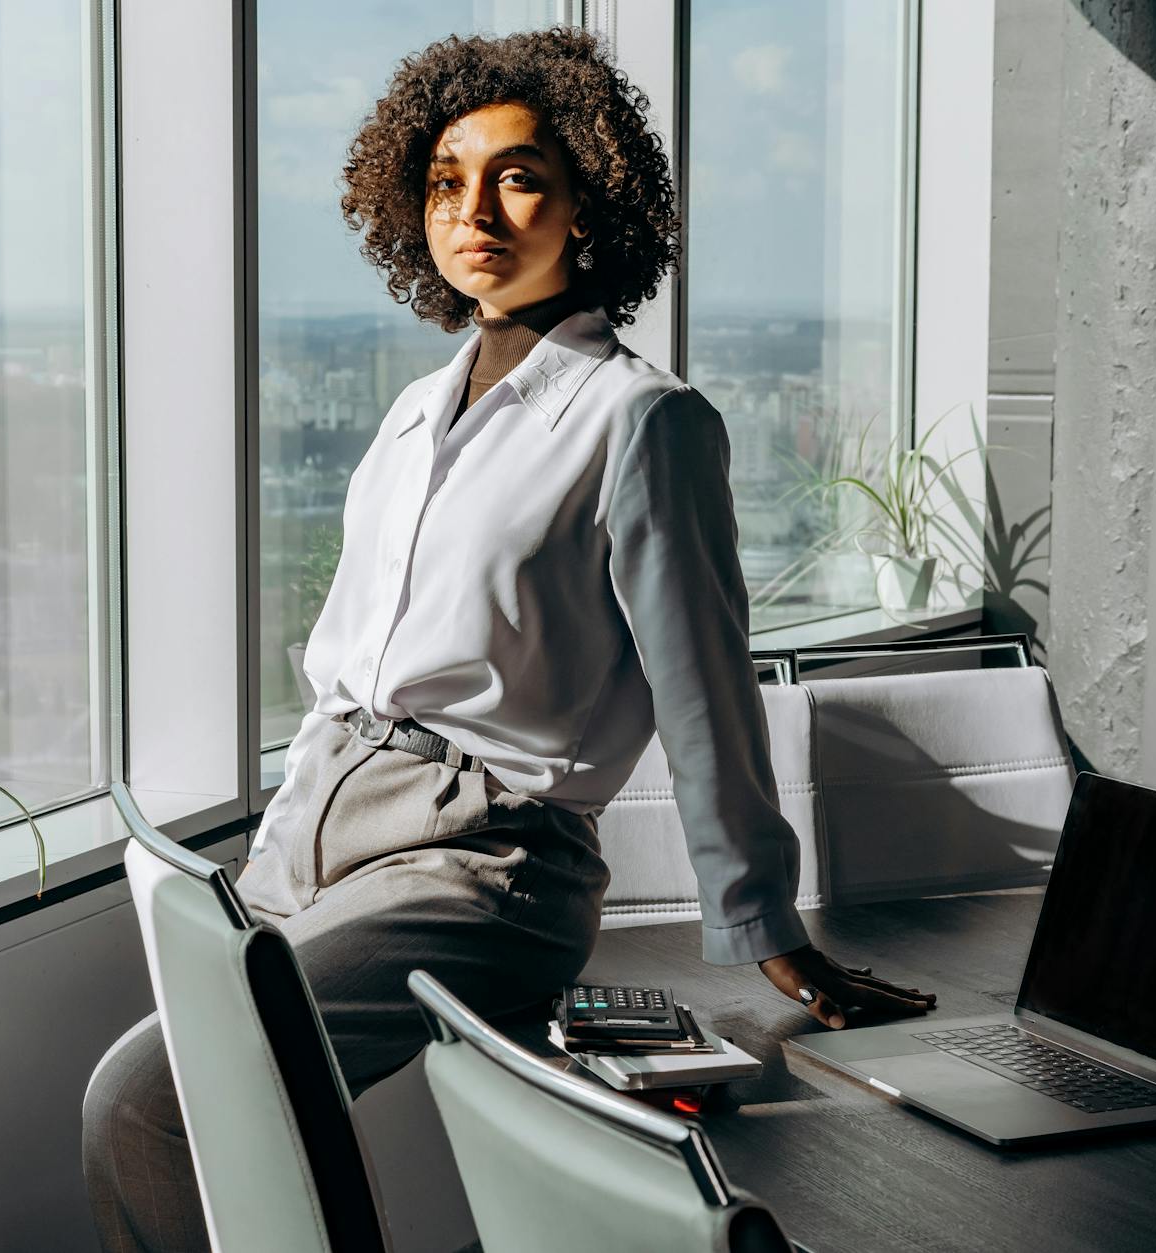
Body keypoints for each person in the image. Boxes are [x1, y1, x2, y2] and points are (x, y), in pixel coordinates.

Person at [83, 28, 934, 1251]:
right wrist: (271, 864)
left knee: (151, 1102)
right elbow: (347, 679)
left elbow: (703, 690)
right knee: (164, 1103)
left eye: (518, 175)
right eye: (442, 181)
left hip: (483, 862)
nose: (473, 208)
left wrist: (767, 929)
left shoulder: (643, 421)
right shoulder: (413, 413)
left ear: (588, 198)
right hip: (325, 827)